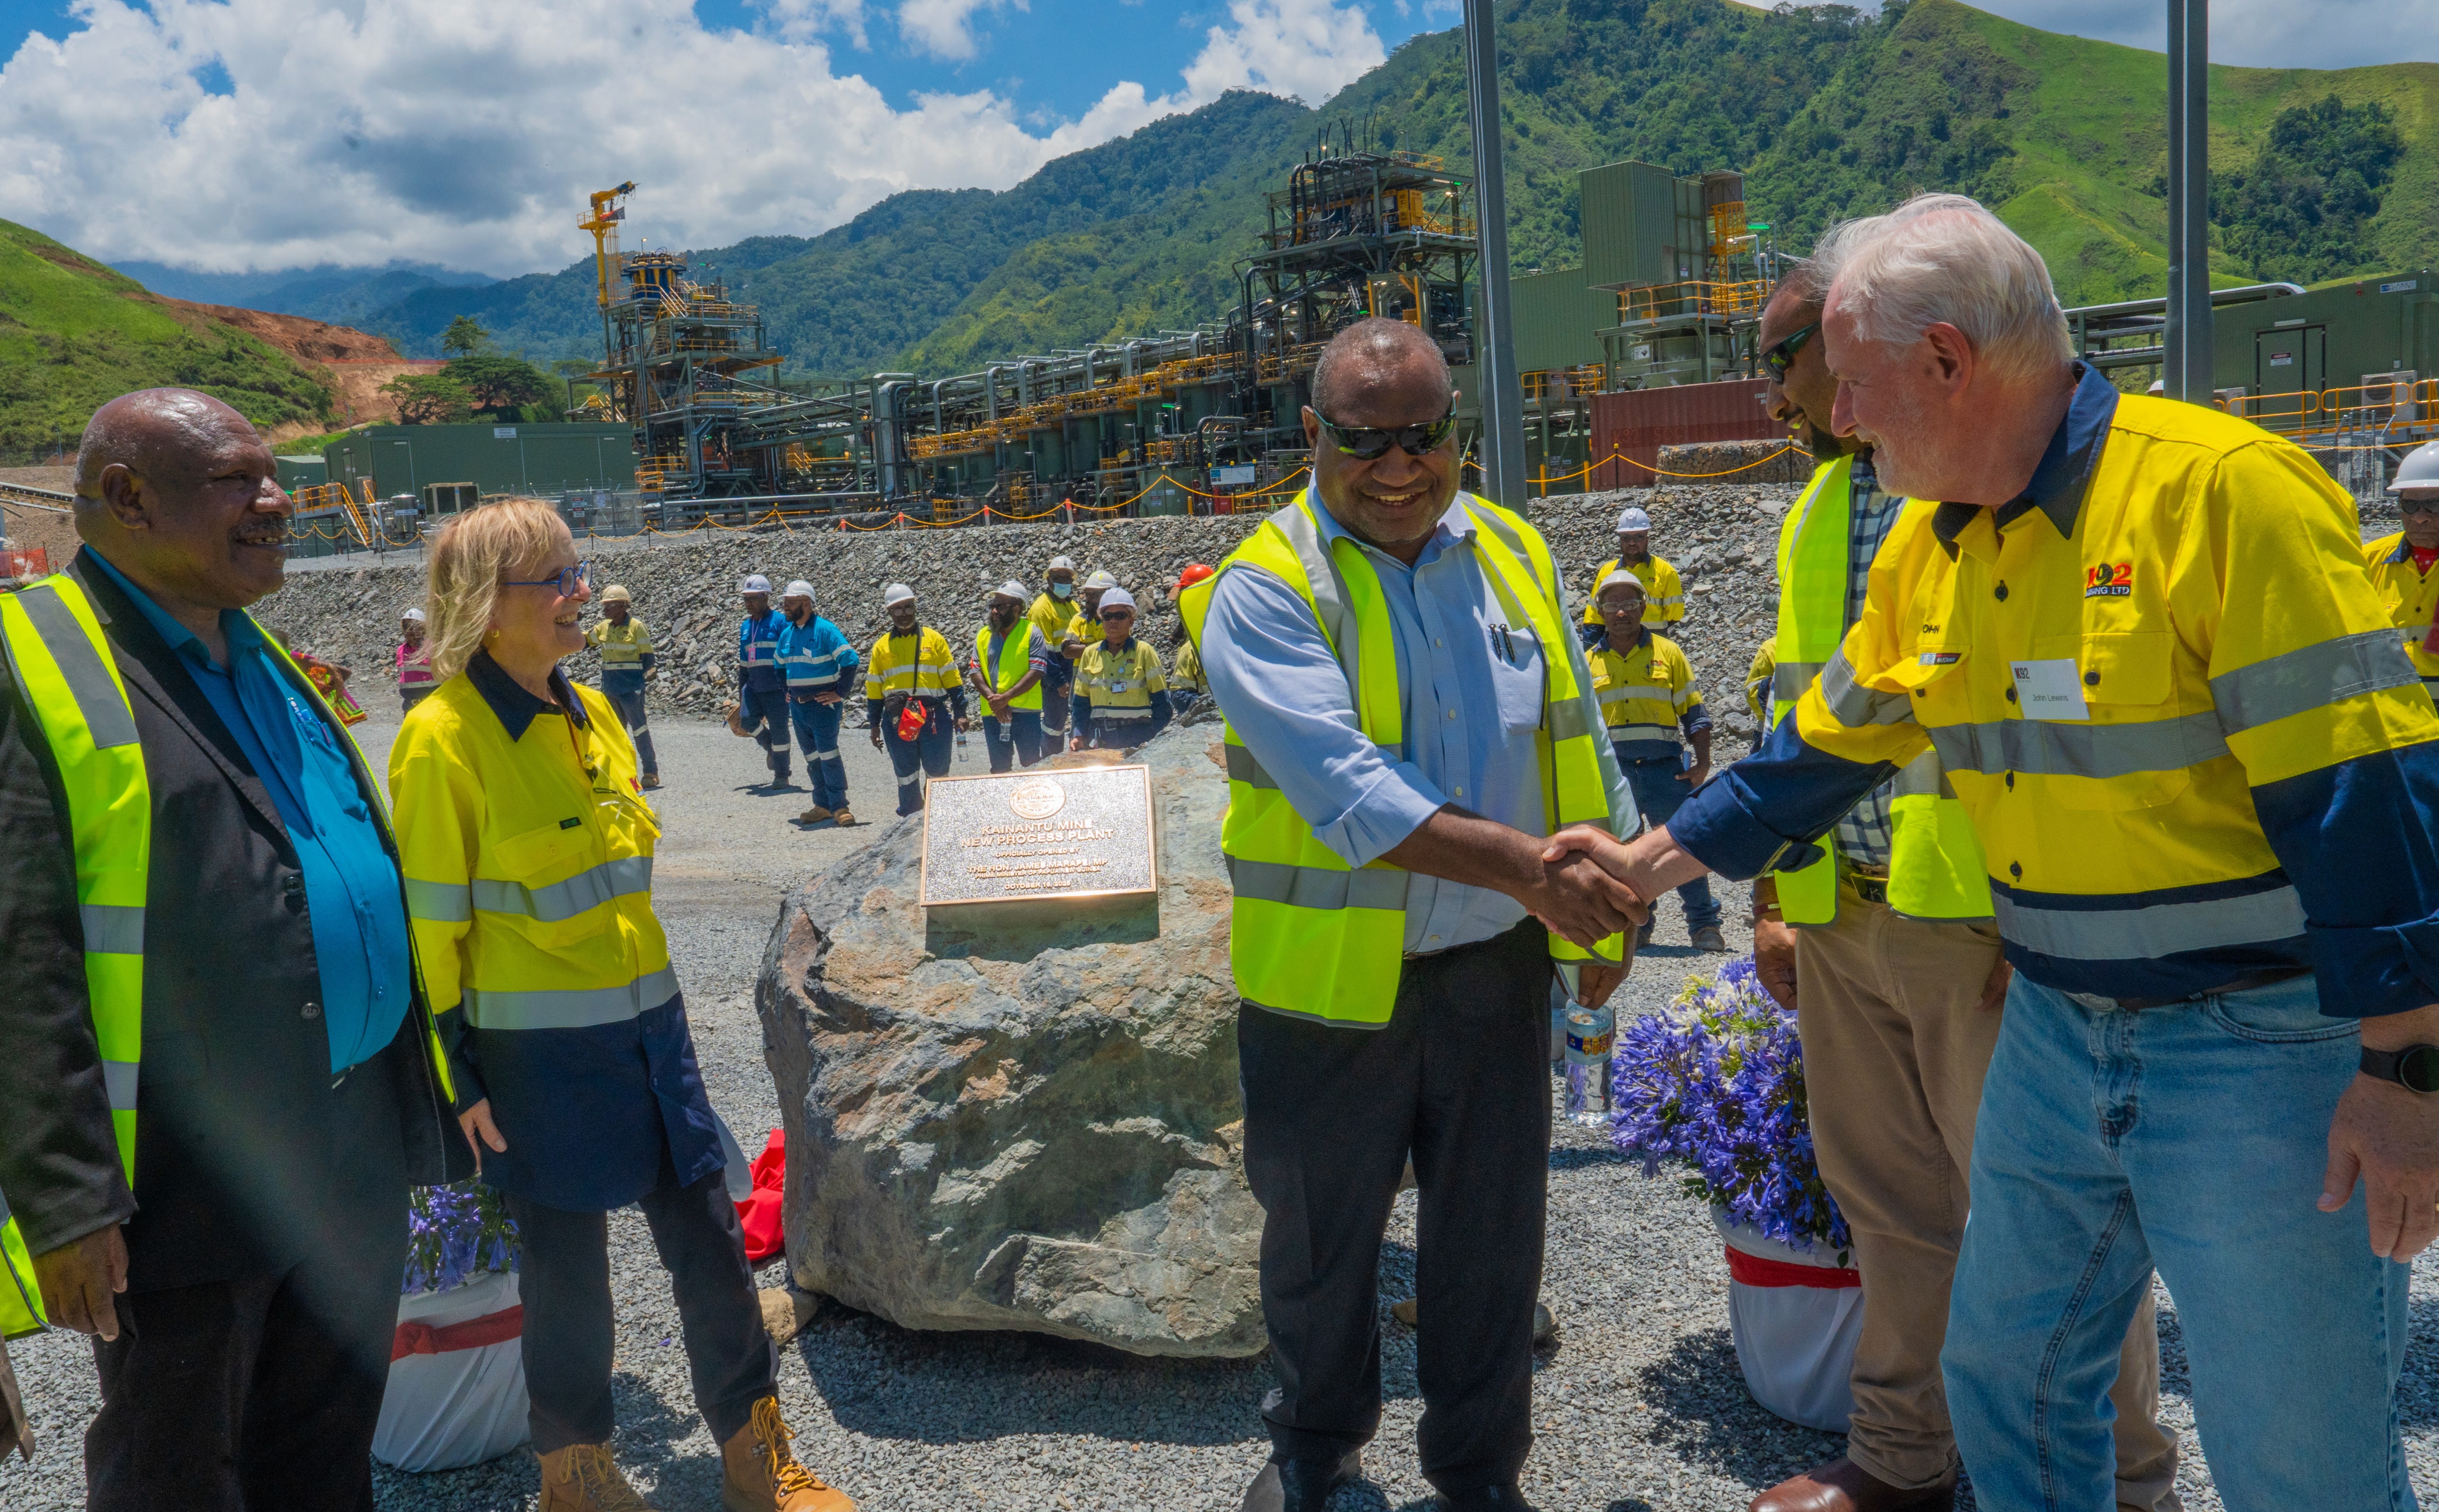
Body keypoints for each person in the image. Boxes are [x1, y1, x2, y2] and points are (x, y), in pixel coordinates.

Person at [1549, 194, 2439, 1512]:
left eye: (1851, 386)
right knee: (2007, 1375)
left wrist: (2403, 1069)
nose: (1837, 419)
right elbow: (1816, 752)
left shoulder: (2218, 494)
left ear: (1946, 362)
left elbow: (2368, 796)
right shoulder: (1930, 538)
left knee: (2295, 1451)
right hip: (2053, 1031)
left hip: (2257, 1042)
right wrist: (1639, 866)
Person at [1735, 258, 2175, 1512]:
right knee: (1889, 1208)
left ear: (1866, 345)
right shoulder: (1818, 509)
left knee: (2060, 1226)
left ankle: (2124, 1480)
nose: (1765, 389)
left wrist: (2035, 914)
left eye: (1782, 358)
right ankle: (1900, 1458)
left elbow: (2071, 720)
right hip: (1844, 916)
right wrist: (1773, 895)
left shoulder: (2005, 485)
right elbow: (1796, 714)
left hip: (1977, 928)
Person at [1182, 317, 1642, 1512]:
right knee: (1322, 1247)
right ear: (1311, 437)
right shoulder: (1264, 588)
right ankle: (1315, 1454)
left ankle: (1479, 1477)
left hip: (1491, 970)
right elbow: (1346, 787)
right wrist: (1537, 875)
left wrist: (1617, 893)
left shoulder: (1514, 551)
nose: (1399, 464)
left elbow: (1577, 735)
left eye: (1424, 434)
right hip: (1327, 988)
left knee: (1490, 1245)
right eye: (1364, 437)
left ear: (1457, 430)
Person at [0, 388, 468, 1507]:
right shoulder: (38, 661)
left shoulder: (254, 649)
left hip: (344, 1141)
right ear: (125, 497)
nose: (279, 502)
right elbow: (22, 952)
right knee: (180, 1467)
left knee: (321, 1447)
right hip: (184, 1176)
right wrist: (66, 1201)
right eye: (238, 481)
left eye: (276, 477)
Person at [389, 498, 852, 1512]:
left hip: (653, 1038)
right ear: (483, 606)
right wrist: (455, 1079)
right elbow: (433, 935)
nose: (578, 594)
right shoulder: (441, 742)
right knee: (566, 1278)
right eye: (551, 579)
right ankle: (579, 1475)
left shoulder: (592, 715)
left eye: (575, 570)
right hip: (531, 1060)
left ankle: (753, 1454)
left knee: (715, 1250)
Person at [1586, 573, 1725, 953]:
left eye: (1630, 604)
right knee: (1625, 855)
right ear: (1600, 612)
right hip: (1617, 777)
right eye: (1612, 605)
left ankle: (1704, 924)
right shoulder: (1588, 662)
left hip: (1667, 771)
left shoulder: (1669, 653)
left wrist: (1702, 763)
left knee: (1682, 849)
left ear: (1643, 608)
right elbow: (1581, 726)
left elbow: (1694, 714)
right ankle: (1638, 928)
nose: (1621, 612)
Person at [863, 582, 966, 815]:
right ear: (889, 612)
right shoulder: (881, 647)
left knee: (938, 772)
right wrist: (874, 726)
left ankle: (939, 820)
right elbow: (874, 690)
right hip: (898, 719)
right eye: (898, 609)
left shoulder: (934, 640)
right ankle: (910, 821)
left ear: (915, 607)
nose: (904, 613)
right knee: (906, 773)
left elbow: (953, 679)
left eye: (908, 607)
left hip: (933, 716)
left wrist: (960, 713)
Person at [776, 579, 859, 825]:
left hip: (824, 706)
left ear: (806, 603)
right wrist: (786, 691)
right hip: (799, 707)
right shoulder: (787, 635)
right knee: (812, 757)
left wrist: (840, 693)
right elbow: (778, 666)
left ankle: (840, 806)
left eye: (790, 603)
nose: (786, 608)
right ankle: (821, 804)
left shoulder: (825, 630)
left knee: (828, 754)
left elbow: (850, 660)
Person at [2365, 437, 2439, 701]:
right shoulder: (2369, 560)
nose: (2420, 517)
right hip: (2393, 710)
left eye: (2434, 505)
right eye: (2410, 505)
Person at [1070, 587, 1173, 751]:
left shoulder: (1144, 652)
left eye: (1120, 616)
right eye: (1108, 617)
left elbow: (1162, 703)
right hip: (1100, 737)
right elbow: (1081, 704)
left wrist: (1154, 735)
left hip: (1138, 735)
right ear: (1102, 620)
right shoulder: (1090, 654)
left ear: (1131, 621)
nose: (1113, 621)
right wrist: (1079, 735)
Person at [585, 583, 660, 790]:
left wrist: (636, 683)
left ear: (623, 606)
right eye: (605, 605)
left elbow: (649, 659)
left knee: (640, 730)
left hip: (630, 690)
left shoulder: (637, 627)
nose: (605, 609)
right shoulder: (603, 628)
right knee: (616, 733)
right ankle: (624, 773)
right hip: (610, 689)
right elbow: (583, 642)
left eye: (610, 605)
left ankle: (650, 772)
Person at [970, 580, 1050, 772]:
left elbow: (1037, 671)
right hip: (993, 712)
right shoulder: (984, 635)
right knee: (999, 767)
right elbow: (975, 672)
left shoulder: (1032, 632)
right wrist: (995, 701)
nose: (994, 612)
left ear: (1017, 609)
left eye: (1001, 607)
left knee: (1032, 765)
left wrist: (1006, 698)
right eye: (993, 607)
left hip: (1026, 712)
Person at [1578, 505, 1683, 638]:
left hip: (1653, 647)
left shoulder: (1666, 572)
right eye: (1626, 538)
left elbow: (1675, 615)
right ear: (1620, 540)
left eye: (1639, 537)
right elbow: (1594, 618)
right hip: (1616, 648)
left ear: (1647, 539)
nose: (1632, 543)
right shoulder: (1607, 572)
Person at [734, 572, 793, 788]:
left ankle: (782, 774)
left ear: (766, 597)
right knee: (747, 721)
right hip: (753, 686)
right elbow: (743, 664)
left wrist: (790, 686)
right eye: (746, 599)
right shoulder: (745, 627)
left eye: (753, 598)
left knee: (780, 731)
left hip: (777, 688)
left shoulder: (780, 623)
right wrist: (740, 691)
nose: (748, 603)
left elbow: (790, 656)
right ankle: (769, 746)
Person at [1029, 556, 1080, 737]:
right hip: (1055, 677)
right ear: (1049, 580)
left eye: (1067, 579)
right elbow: (1044, 651)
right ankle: (1051, 760)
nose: (1064, 583)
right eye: (1059, 579)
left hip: (1074, 673)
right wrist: (1059, 682)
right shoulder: (1041, 608)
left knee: (1078, 721)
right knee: (1055, 725)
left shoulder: (1073, 606)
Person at [400, 605, 437, 712]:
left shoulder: (433, 647)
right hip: (410, 704)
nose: (410, 631)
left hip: (431, 702)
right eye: (407, 627)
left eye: (414, 627)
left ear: (422, 629)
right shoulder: (401, 650)